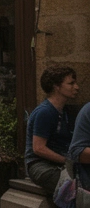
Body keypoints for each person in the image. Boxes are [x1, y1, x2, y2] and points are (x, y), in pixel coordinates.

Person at [26, 66, 80, 197]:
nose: (77, 87)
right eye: (71, 83)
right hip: (40, 165)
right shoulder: (45, 112)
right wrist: (67, 161)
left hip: (59, 164)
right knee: (71, 189)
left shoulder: (65, 111)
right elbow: (38, 148)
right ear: (57, 87)